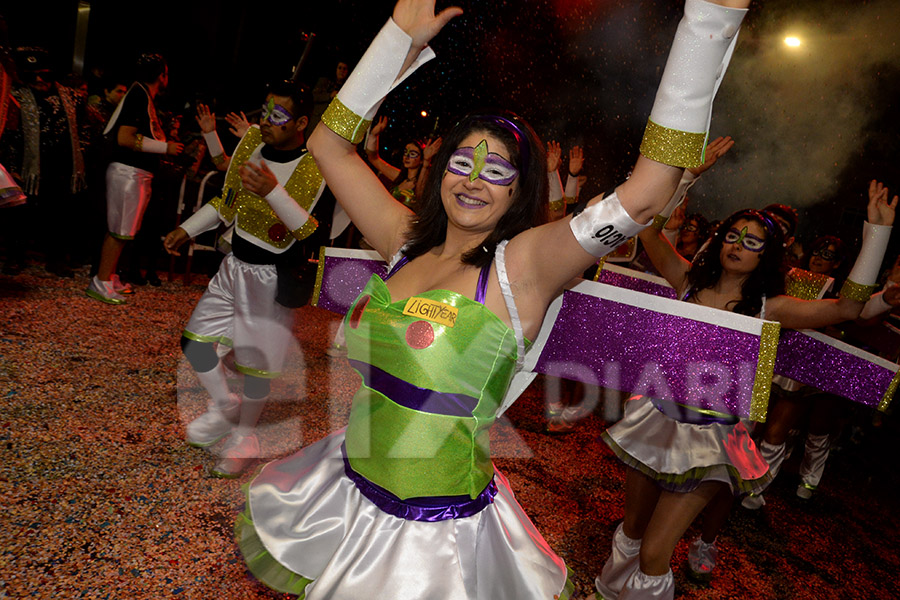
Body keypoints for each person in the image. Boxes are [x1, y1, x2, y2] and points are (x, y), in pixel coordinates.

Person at [234, 0, 754, 597]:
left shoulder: (523, 268)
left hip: (430, 542)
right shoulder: (403, 242)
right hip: (347, 487)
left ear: (520, 190)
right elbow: (329, 146)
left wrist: (710, 23)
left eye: (497, 170)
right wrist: (396, 39)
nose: (474, 178)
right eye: (462, 161)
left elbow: (643, 197)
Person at [595, 182, 894, 598]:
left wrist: (876, 235)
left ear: (766, 254)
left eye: (751, 241)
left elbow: (848, 309)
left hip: (711, 441)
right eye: (731, 236)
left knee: (653, 552)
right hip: (656, 422)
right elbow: (648, 232)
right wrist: (683, 182)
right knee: (630, 534)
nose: (737, 244)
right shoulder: (687, 282)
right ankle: (606, 594)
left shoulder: (771, 308)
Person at [163, 80, 331, 478]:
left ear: (301, 122)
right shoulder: (252, 142)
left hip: (273, 277)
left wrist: (274, 191)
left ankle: (246, 436)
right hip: (233, 266)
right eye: (266, 110)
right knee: (195, 343)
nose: (267, 121)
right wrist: (188, 228)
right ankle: (224, 407)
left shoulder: (315, 165)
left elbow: (310, 232)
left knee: (257, 365)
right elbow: (227, 201)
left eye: (279, 115)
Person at [86, 53, 183, 304]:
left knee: (125, 230)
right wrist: (166, 148)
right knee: (119, 231)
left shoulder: (142, 95)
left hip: (136, 173)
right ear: (161, 75)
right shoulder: (138, 95)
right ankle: (101, 281)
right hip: (127, 172)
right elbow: (124, 138)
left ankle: (108, 275)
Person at [2, 47, 90, 277]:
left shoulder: (72, 98)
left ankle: (57, 260)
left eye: (43, 74)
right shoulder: (16, 96)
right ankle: (15, 257)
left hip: (62, 165)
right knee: (21, 214)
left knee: (60, 215)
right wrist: (13, 168)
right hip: (28, 167)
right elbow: (11, 135)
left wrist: (80, 162)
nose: (39, 80)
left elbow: (83, 129)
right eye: (33, 75)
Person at [364, 114, 440, 210]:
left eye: (413, 154)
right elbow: (373, 159)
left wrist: (426, 161)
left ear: (420, 160)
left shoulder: (423, 183)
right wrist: (374, 136)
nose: (407, 157)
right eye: (405, 152)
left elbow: (419, 194)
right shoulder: (399, 176)